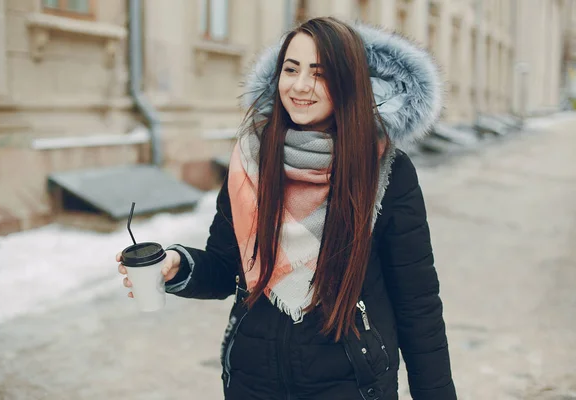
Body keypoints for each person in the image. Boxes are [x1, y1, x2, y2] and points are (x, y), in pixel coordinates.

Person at [117, 17, 456, 400]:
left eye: (319, 73)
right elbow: (227, 267)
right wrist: (177, 266)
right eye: (290, 69)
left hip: (351, 386)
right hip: (252, 383)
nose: (300, 86)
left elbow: (418, 304)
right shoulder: (251, 162)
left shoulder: (385, 172)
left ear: (348, 83)